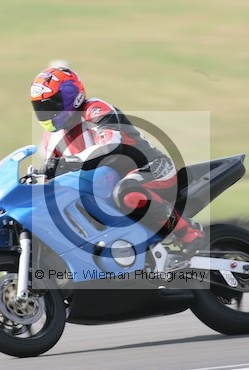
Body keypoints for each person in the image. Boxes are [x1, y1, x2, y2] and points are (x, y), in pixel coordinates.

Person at [30, 66, 205, 258]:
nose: (48, 113)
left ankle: (187, 231)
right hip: (108, 185)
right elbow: (51, 176)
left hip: (151, 167)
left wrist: (70, 162)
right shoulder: (51, 138)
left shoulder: (94, 110)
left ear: (73, 96)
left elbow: (110, 145)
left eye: (53, 104)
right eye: (41, 108)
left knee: (127, 192)